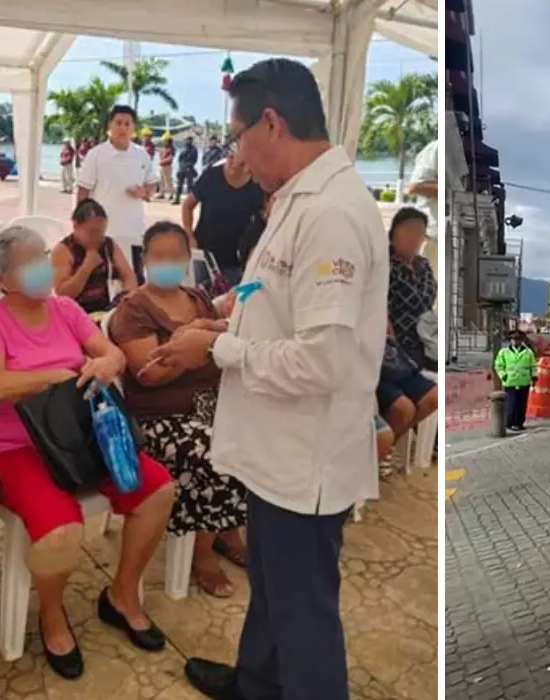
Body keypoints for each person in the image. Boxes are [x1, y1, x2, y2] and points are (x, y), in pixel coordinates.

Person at [150, 58, 387, 700]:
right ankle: (257, 682)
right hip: (275, 447)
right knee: (273, 583)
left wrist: (219, 348)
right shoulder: (296, 196)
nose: (238, 153)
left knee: (303, 609)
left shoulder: (331, 213)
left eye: (238, 135)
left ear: (272, 124)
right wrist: (226, 310)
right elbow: (271, 284)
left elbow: (322, 361)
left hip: (302, 457)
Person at [0, 226, 176, 680]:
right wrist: (58, 376)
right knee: (59, 530)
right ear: (1, 278)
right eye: (30, 261)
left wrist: (103, 362)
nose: (45, 266)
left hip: (78, 434)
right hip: (15, 445)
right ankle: (52, 612)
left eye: (43, 255)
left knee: (157, 489)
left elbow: (112, 355)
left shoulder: (64, 308)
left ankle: (122, 596)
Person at [107, 221, 249, 599]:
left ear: (188, 259)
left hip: (211, 403)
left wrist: (210, 331)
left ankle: (224, 527)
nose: (167, 262)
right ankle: (202, 554)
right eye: (159, 256)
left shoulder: (198, 297)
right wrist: (200, 339)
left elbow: (225, 346)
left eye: (176, 256)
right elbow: (149, 373)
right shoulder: (133, 310)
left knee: (257, 433)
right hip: (162, 417)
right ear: (145, 260)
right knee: (213, 449)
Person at [76, 105, 159, 286]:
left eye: (127, 124)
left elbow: (152, 184)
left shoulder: (141, 154)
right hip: (104, 232)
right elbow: (83, 190)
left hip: (134, 231)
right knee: (103, 284)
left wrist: (143, 192)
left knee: (135, 282)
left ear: (133, 128)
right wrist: (81, 223)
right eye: (118, 123)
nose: (123, 128)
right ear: (110, 126)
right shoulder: (96, 155)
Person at [181, 151, 266, 286]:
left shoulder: (258, 184)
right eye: (231, 158)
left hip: (236, 261)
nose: (234, 165)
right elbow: (187, 206)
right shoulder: (211, 176)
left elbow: (266, 219)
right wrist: (189, 234)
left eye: (241, 163)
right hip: (203, 253)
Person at [51, 199, 138, 314]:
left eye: (101, 232)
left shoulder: (108, 245)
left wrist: (125, 296)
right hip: (75, 312)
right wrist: (86, 267)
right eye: (91, 232)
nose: (97, 238)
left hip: (108, 308)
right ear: (75, 225)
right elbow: (63, 293)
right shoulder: (64, 250)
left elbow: (129, 277)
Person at [387, 206, 437, 371]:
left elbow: (426, 301)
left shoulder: (423, 265)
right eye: (408, 231)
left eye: (419, 233)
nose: (414, 238)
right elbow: (417, 302)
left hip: (425, 344)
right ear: (393, 234)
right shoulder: (385, 264)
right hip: (396, 345)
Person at [494, 330, 537, 432]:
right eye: (513, 339)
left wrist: (534, 377)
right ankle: (510, 423)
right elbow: (499, 365)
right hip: (510, 382)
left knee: (521, 404)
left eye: (518, 339)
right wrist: (503, 376)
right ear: (510, 340)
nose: (515, 342)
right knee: (511, 405)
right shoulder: (504, 352)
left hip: (524, 382)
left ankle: (519, 423)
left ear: (521, 340)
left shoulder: (528, 352)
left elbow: (533, 366)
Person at [172, 136, 198, 205]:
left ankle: (190, 201)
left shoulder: (194, 149)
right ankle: (177, 199)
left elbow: (194, 160)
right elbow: (179, 159)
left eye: (189, 140)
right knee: (179, 185)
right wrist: (181, 166)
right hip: (182, 169)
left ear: (191, 141)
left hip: (189, 169)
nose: (188, 141)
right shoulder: (183, 149)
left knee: (190, 186)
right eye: (187, 140)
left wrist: (188, 166)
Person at [157, 136, 175, 200]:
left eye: (165, 141)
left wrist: (162, 161)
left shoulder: (171, 148)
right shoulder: (164, 148)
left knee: (168, 180)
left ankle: (171, 194)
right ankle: (162, 194)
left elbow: (170, 158)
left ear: (168, 141)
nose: (164, 142)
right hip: (162, 166)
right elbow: (161, 155)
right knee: (161, 180)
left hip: (167, 166)